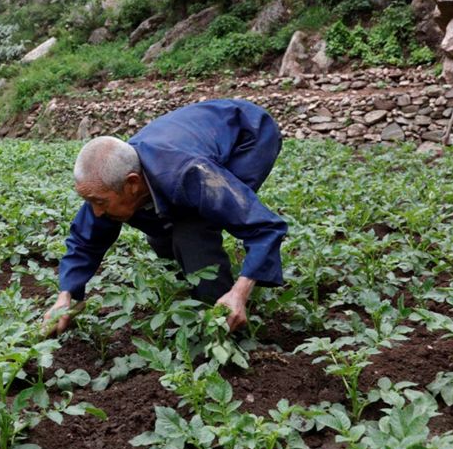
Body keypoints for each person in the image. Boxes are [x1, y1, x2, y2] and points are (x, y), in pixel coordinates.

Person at [42, 98, 287, 336]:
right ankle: (193, 278)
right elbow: (85, 240)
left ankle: (221, 315)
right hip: (195, 133)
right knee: (161, 231)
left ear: (132, 183)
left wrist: (240, 292)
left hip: (248, 134)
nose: (96, 211)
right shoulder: (106, 184)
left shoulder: (190, 175)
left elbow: (264, 227)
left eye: (99, 202)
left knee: (193, 229)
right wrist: (67, 294)